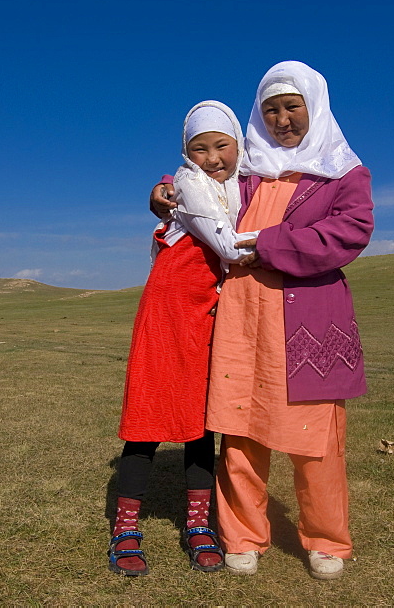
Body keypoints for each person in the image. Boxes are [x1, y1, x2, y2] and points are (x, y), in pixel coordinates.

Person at [151, 61, 373, 580]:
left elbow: (350, 233)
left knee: (315, 441)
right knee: (239, 433)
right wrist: (162, 187)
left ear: (314, 107)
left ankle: (326, 540)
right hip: (243, 319)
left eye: (292, 107)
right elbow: (206, 168)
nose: (282, 120)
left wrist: (269, 243)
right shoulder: (250, 166)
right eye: (271, 110)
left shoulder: (344, 172)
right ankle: (243, 535)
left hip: (309, 322)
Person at [109, 100, 258, 577]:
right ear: (187, 153)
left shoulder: (242, 188)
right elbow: (226, 245)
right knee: (150, 411)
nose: (212, 157)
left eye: (222, 146)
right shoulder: (189, 187)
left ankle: (198, 523)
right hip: (169, 311)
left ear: (239, 144)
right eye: (200, 148)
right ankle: (125, 526)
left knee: (202, 417)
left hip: (213, 313)